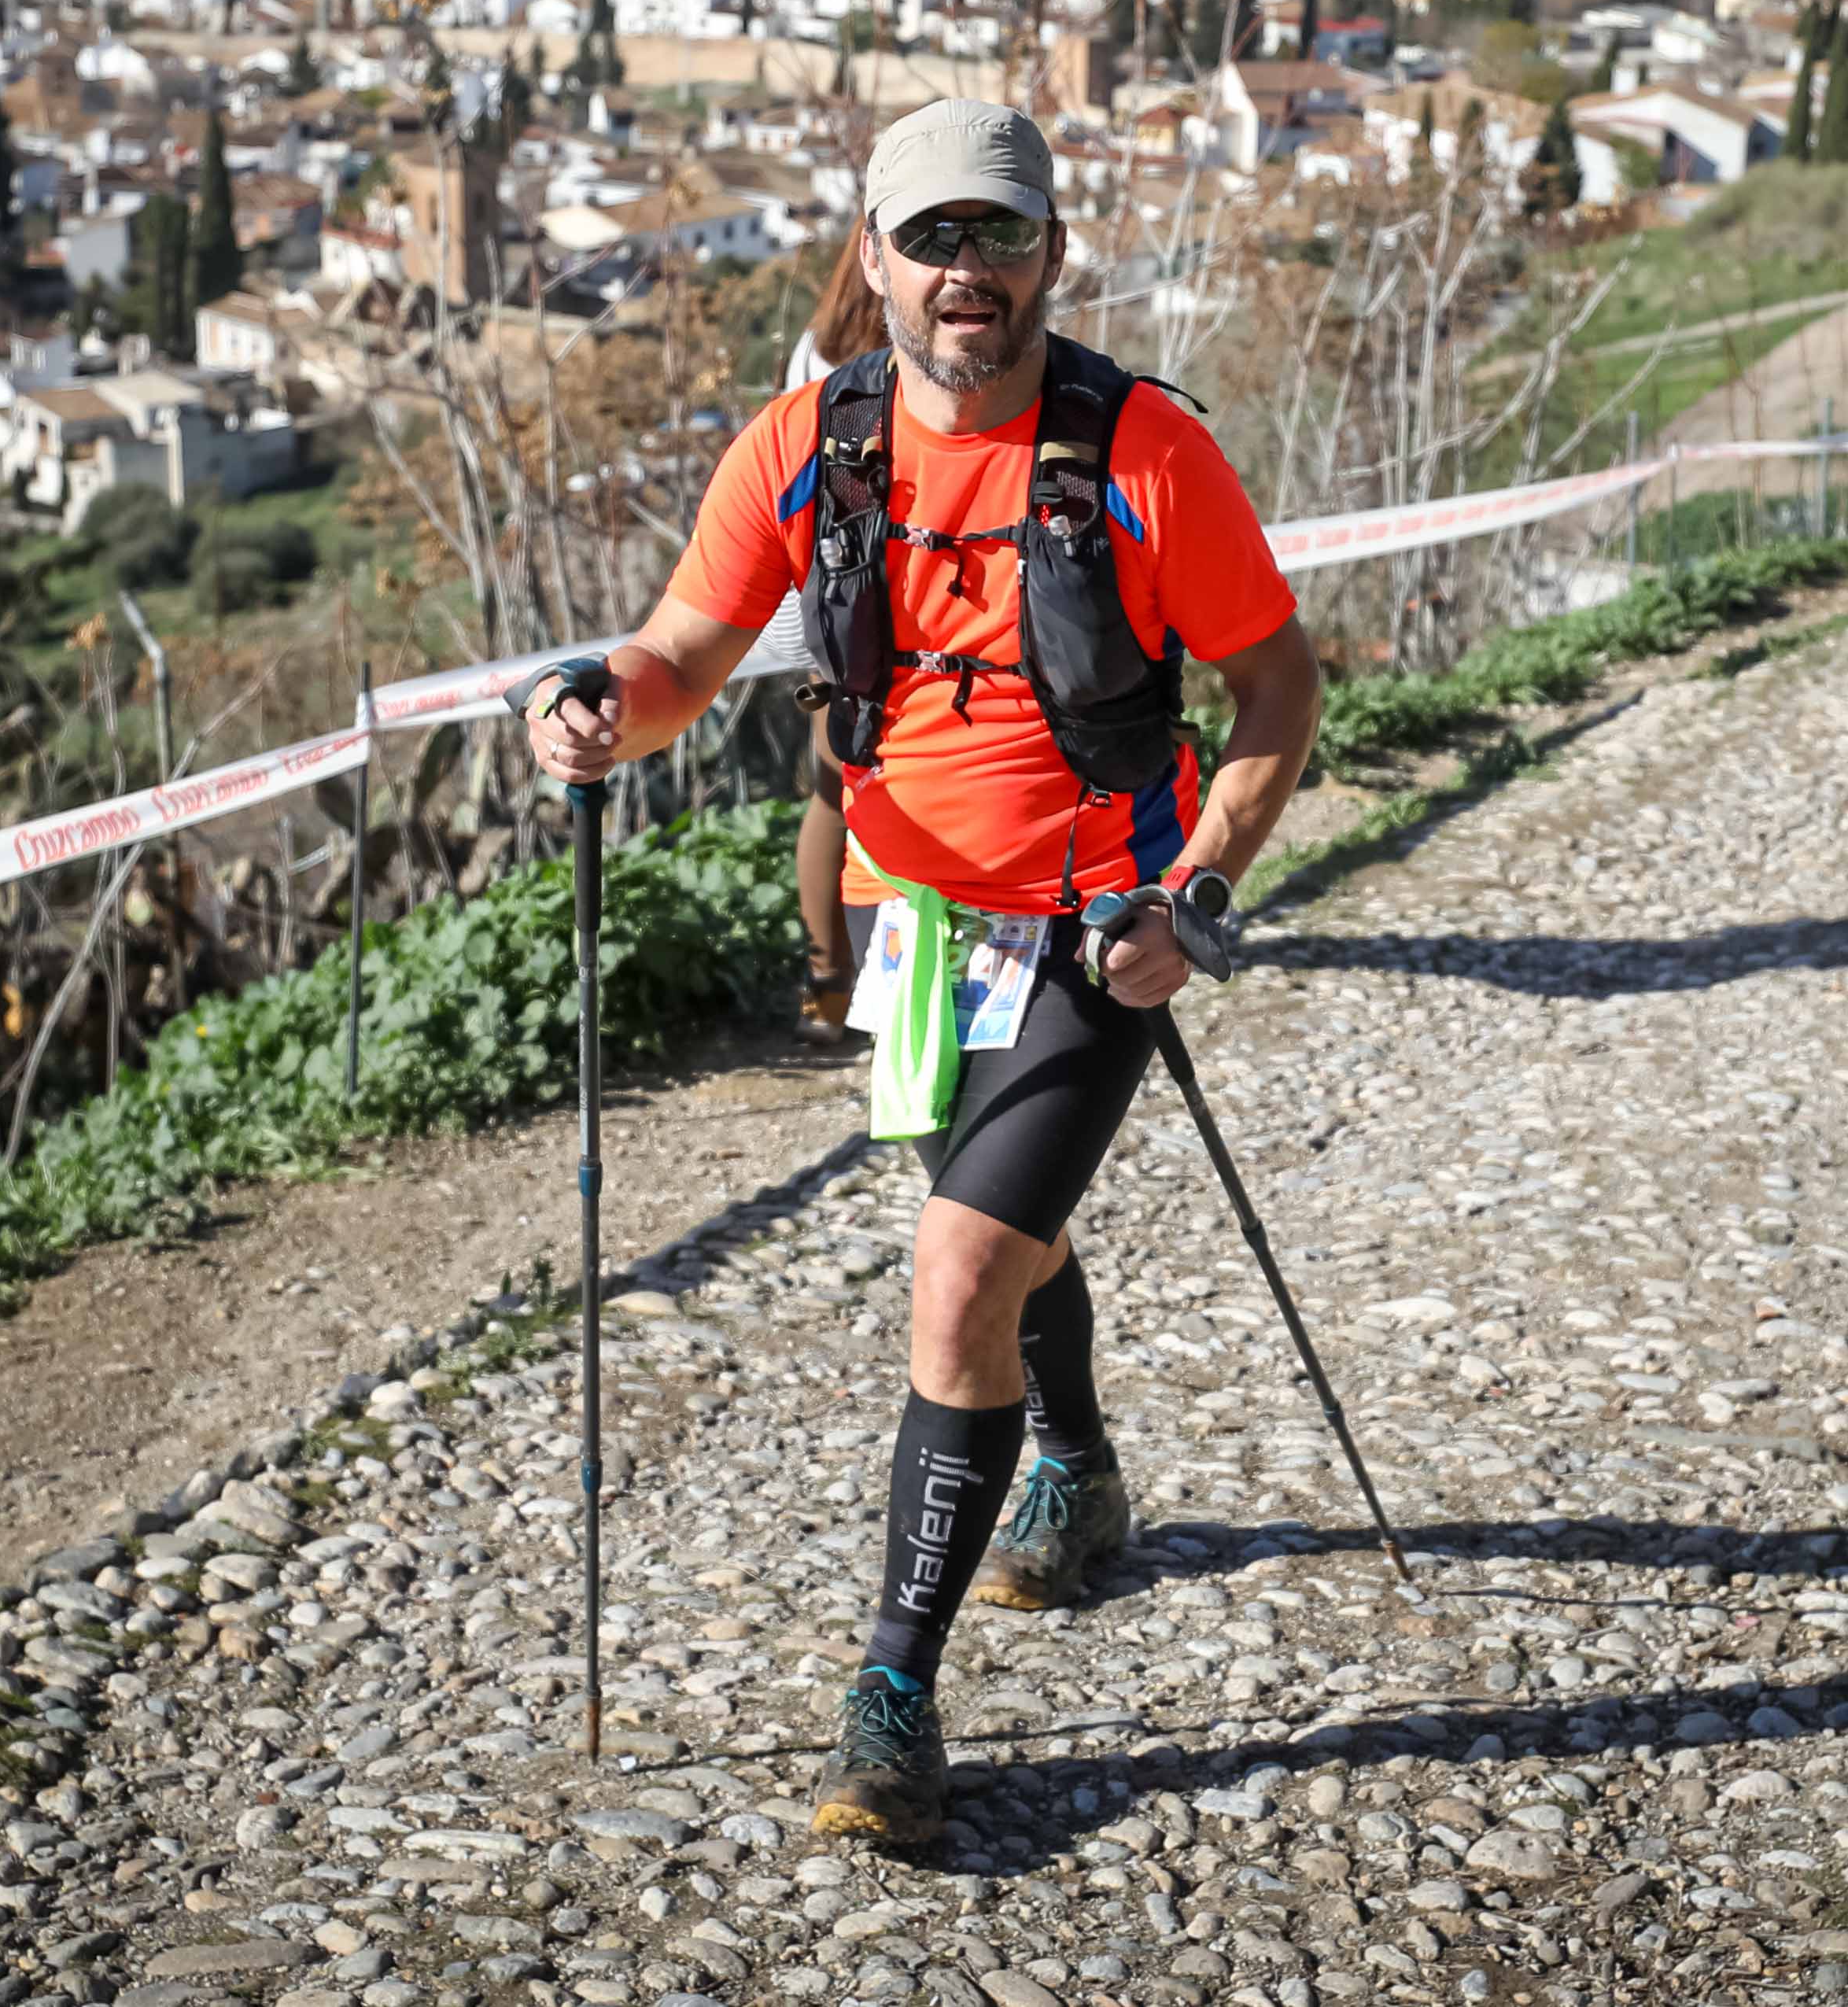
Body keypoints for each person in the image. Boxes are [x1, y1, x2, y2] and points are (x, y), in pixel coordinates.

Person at [519, 98, 1322, 1844]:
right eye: (936, 235)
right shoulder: (808, 442)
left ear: (1055, 250)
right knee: (1000, 1224)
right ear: (871, 252)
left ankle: (892, 1691)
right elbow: (677, 652)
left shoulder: (1143, 451)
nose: (972, 271)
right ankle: (1080, 1466)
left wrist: (1198, 892)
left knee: (958, 1268)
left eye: (1004, 234)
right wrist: (591, 707)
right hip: (914, 921)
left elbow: (1278, 683)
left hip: (1104, 918)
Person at [780, 238, 891, 1039]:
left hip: (825, 597)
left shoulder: (810, 354)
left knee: (832, 790)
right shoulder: (918, 357)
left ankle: (829, 984)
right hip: (894, 600)